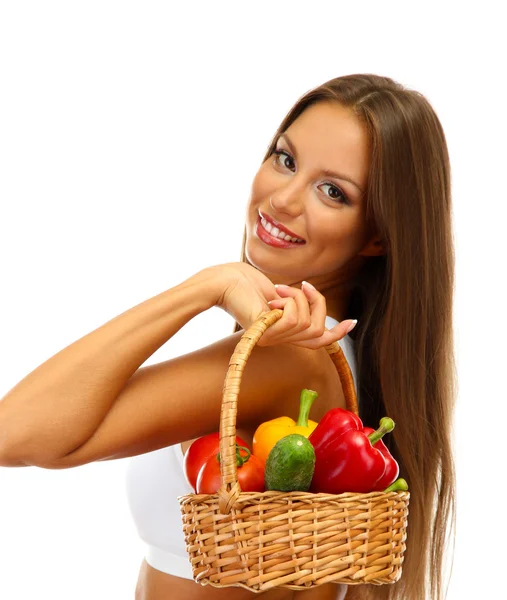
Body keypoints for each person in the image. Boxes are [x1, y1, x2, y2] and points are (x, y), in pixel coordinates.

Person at [0, 74, 456, 600]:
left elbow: (17, 434)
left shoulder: (290, 358)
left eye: (332, 191)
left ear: (378, 233)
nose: (283, 199)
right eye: (286, 159)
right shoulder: (321, 353)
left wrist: (204, 286)